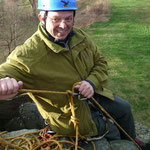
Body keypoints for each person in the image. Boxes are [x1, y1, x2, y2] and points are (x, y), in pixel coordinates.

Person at [0, 0, 149, 149]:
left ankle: (132, 140)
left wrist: (91, 82)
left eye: (68, 19)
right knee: (107, 132)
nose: (63, 26)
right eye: (56, 19)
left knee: (124, 108)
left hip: (94, 96)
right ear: (42, 18)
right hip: (69, 116)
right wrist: (3, 84)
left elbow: (101, 62)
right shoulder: (28, 54)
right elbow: (5, 71)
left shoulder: (79, 37)